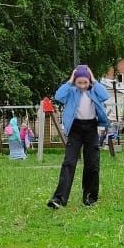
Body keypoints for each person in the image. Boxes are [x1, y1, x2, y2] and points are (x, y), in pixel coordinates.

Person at [48, 65, 110, 208]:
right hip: (75, 129)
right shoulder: (71, 91)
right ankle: (59, 199)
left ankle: (90, 198)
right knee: (69, 163)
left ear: (89, 82)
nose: (82, 86)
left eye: (85, 82)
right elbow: (58, 96)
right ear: (75, 82)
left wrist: (93, 80)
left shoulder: (94, 91)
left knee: (92, 164)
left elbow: (105, 95)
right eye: (79, 82)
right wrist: (70, 80)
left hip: (91, 128)